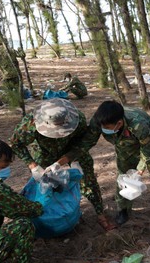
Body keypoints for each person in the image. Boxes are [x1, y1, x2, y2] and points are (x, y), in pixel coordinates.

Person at [8, 98, 112, 232]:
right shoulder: (30, 123)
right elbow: (16, 143)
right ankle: (51, 217)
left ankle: (100, 214)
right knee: (46, 185)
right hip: (43, 152)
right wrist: (32, 165)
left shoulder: (76, 118)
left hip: (72, 150)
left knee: (88, 180)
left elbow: (83, 141)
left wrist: (73, 159)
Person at [89, 101, 150, 227]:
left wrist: (140, 169)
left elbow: (147, 149)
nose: (104, 130)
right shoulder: (100, 120)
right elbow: (87, 140)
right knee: (123, 178)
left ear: (119, 123)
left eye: (107, 128)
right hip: (125, 148)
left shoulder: (138, 124)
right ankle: (123, 210)